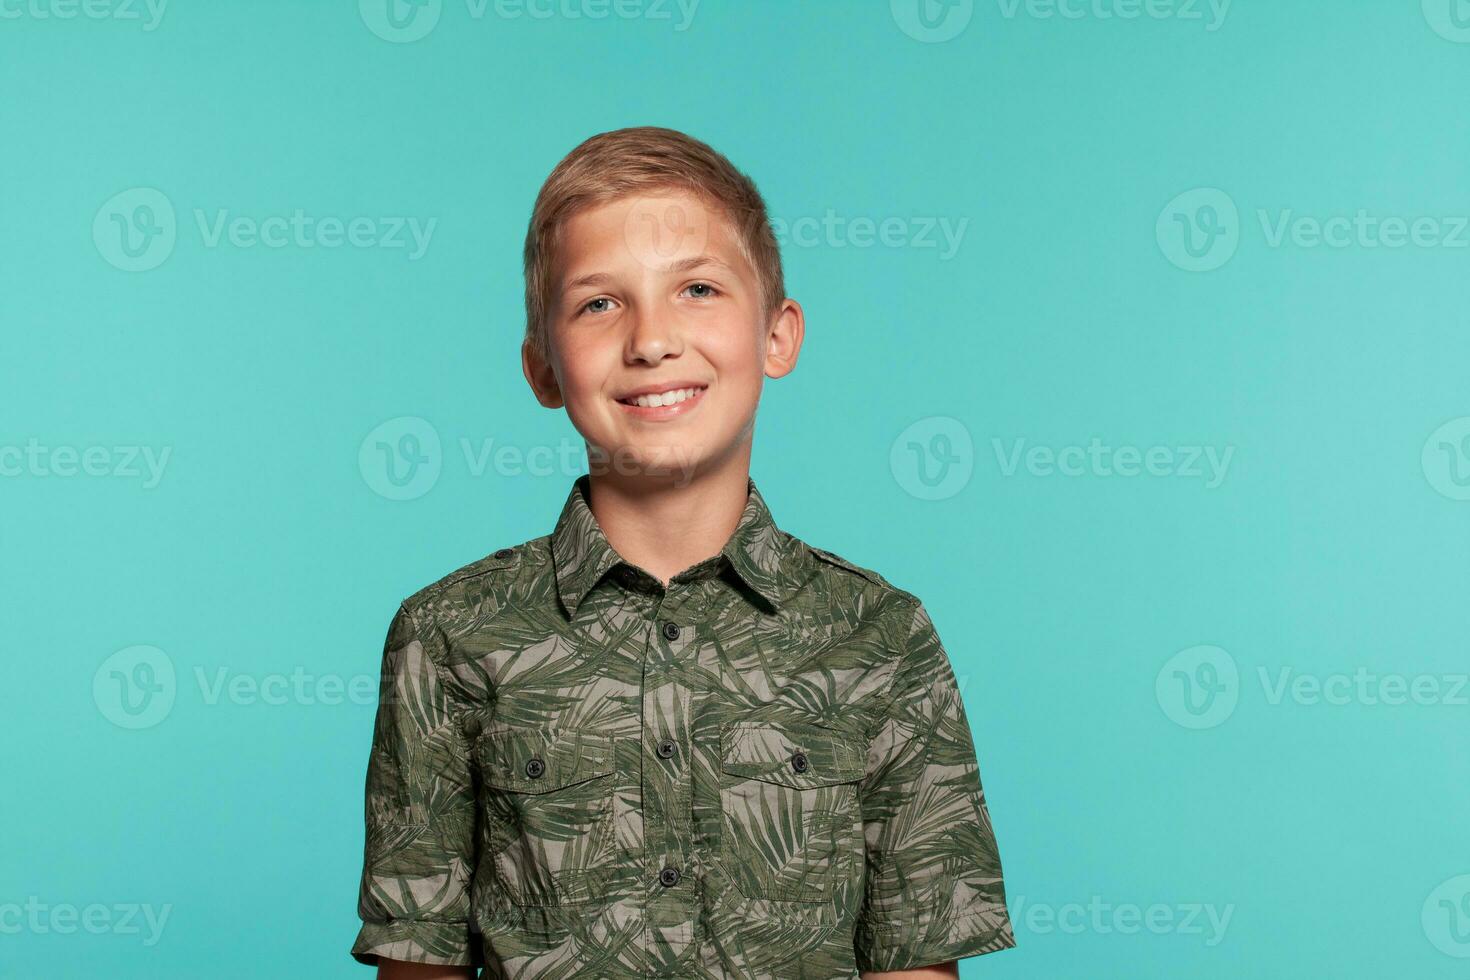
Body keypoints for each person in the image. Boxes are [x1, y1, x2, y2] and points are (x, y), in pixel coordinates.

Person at [349, 126, 1015, 979]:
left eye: (696, 288)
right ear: (543, 368)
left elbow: (914, 961)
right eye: (599, 302)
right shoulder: (447, 637)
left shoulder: (882, 638)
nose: (652, 340)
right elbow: (420, 962)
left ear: (777, 336)